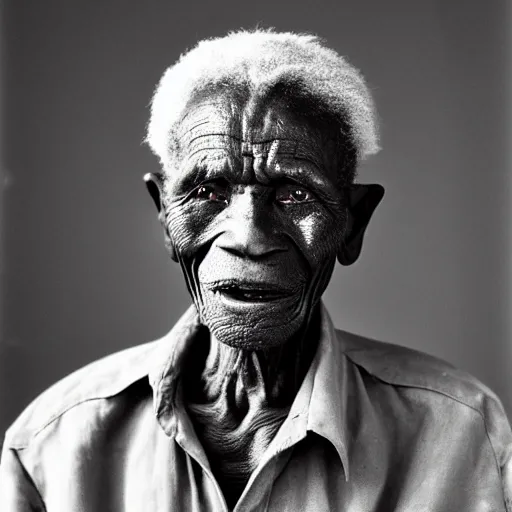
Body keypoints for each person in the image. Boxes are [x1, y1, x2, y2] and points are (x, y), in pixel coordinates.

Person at [1, 29, 511, 511]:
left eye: (295, 194)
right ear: (164, 214)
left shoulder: (463, 432)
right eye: (206, 192)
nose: (248, 237)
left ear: (353, 223)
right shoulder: (54, 443)